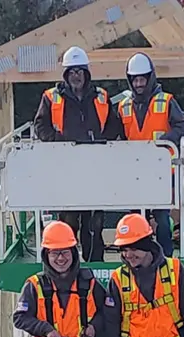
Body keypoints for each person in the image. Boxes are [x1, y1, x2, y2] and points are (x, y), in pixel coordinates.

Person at [34, 45, 116, 262]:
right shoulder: (51, 97)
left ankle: (94, 264)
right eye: (72, 71)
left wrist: (100, 142)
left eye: (79, 71)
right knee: (68, 223)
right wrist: (59, 142)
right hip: (65, 169)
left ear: (86, 73)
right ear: (66, 74)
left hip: (95, 169)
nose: (76, 76)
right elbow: (41, 126)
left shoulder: (101, 96)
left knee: (94, 224)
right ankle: (67, 265)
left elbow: (113, 126)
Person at [116, 52, 184, 258]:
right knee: (134, 218)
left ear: (150, 78)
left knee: (162, 218)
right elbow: (119, 135)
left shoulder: (166, 101)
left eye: (142, 79)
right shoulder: (123, 106)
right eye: (135, 79)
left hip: (161, 171)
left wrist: (164, 141)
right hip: (134, 172)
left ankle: (165, 257)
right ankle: (136, 255)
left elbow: (182, 126)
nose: (139, 83)